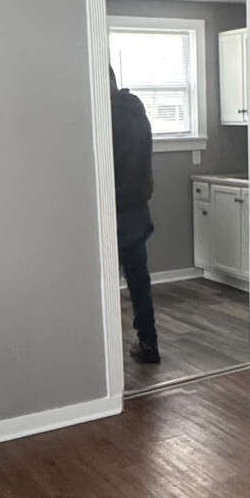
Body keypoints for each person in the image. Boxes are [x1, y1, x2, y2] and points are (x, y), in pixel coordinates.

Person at [110, 67, 160, 363]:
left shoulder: (110, 116)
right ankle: (148, 342)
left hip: (116, 210)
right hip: (138, 207)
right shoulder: (137, 111)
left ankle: (105, 361)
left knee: (103, 283)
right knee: (139, 279)